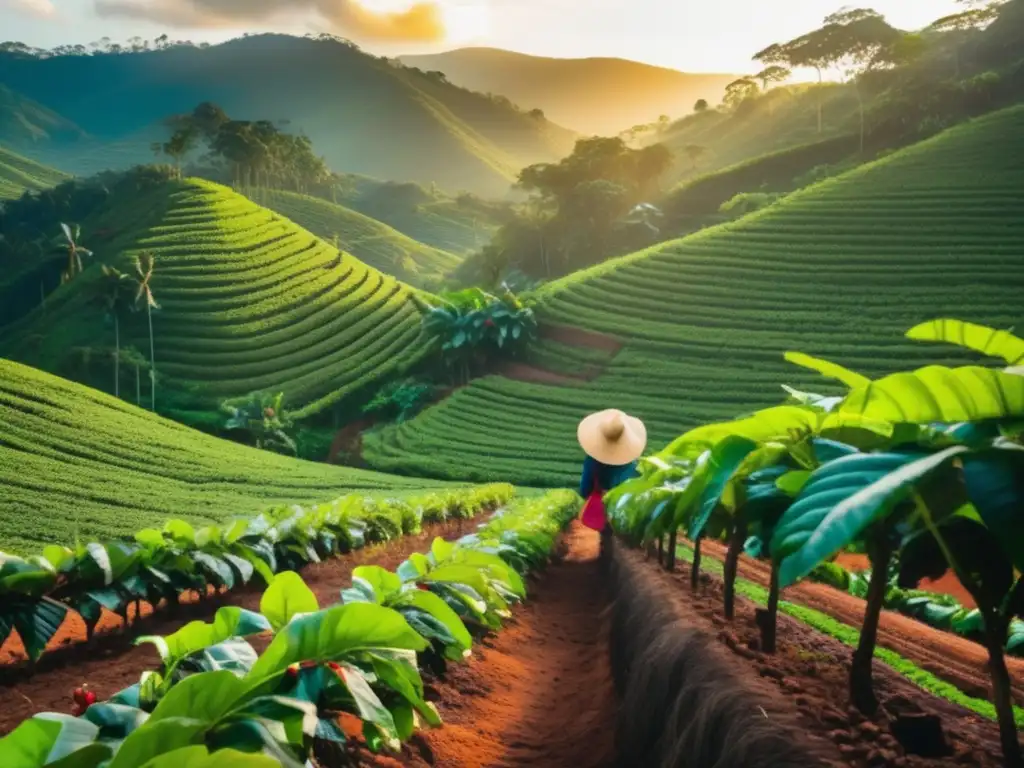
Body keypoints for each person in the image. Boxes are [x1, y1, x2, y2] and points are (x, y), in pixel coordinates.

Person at [576, 409, 647, 538]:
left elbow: (585, 489)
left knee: (606, 540)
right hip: (622, 514)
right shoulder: (632, 466)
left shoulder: (592, 461)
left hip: (601, 511)